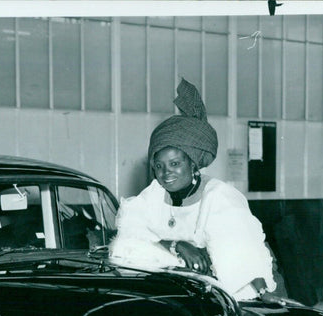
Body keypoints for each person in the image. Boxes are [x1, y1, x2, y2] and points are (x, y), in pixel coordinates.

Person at [109, 79, 284, 303]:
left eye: (174, 164)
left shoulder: (219, 197)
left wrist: (265, 296)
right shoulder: (152, 196)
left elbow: (242, 260)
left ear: (192, 163)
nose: (165, 173)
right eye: (159, 166)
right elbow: (128, 242)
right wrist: (177, 245)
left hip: (246, 289)